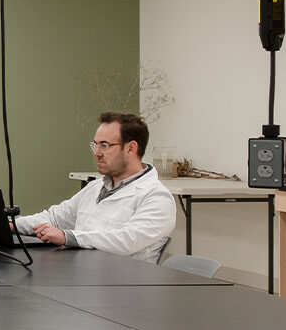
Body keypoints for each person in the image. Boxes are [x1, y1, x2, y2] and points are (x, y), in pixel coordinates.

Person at [14, 111, 175, 262]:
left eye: (104, 145)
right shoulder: (95, 187)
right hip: (82, 272)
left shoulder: (157, 197)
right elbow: (54, 219)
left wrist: (67, 237)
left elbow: (126, 240)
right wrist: (11, 225)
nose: (96, 153)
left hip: (126, 279)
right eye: (96, 145)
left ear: (131, 148)